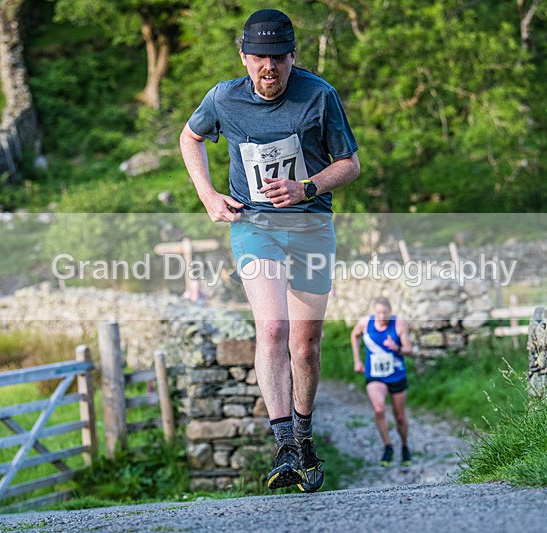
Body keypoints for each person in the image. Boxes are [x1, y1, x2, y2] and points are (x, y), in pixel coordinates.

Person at [180, 9, 360, 493]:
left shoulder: (319, 95)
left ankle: (304, 437)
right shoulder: (224, 98)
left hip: (310, 227)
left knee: (305, 344)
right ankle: (282, 443)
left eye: (278, 59)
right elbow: (190, 137)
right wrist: (209, 196)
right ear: (244, 56)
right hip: (254, 227)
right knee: (273, 327)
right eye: (259, 58)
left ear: (292, 57)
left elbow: (350, 164)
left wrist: (307, 187)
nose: (269, 69)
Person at [351, 296, 415, 465]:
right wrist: (357, 360)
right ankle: (388, 446)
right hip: (375, 374)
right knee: (379, 409)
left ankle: (405, 446)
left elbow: (409, 350)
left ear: (390, 312)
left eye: (385, 312)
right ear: (374, 312)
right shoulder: (365, 323)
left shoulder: (399, 323)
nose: (381, 316)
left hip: (396, 374)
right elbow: (355, 335)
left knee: (399, 416)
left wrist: (397, 348)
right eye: (378, 312)